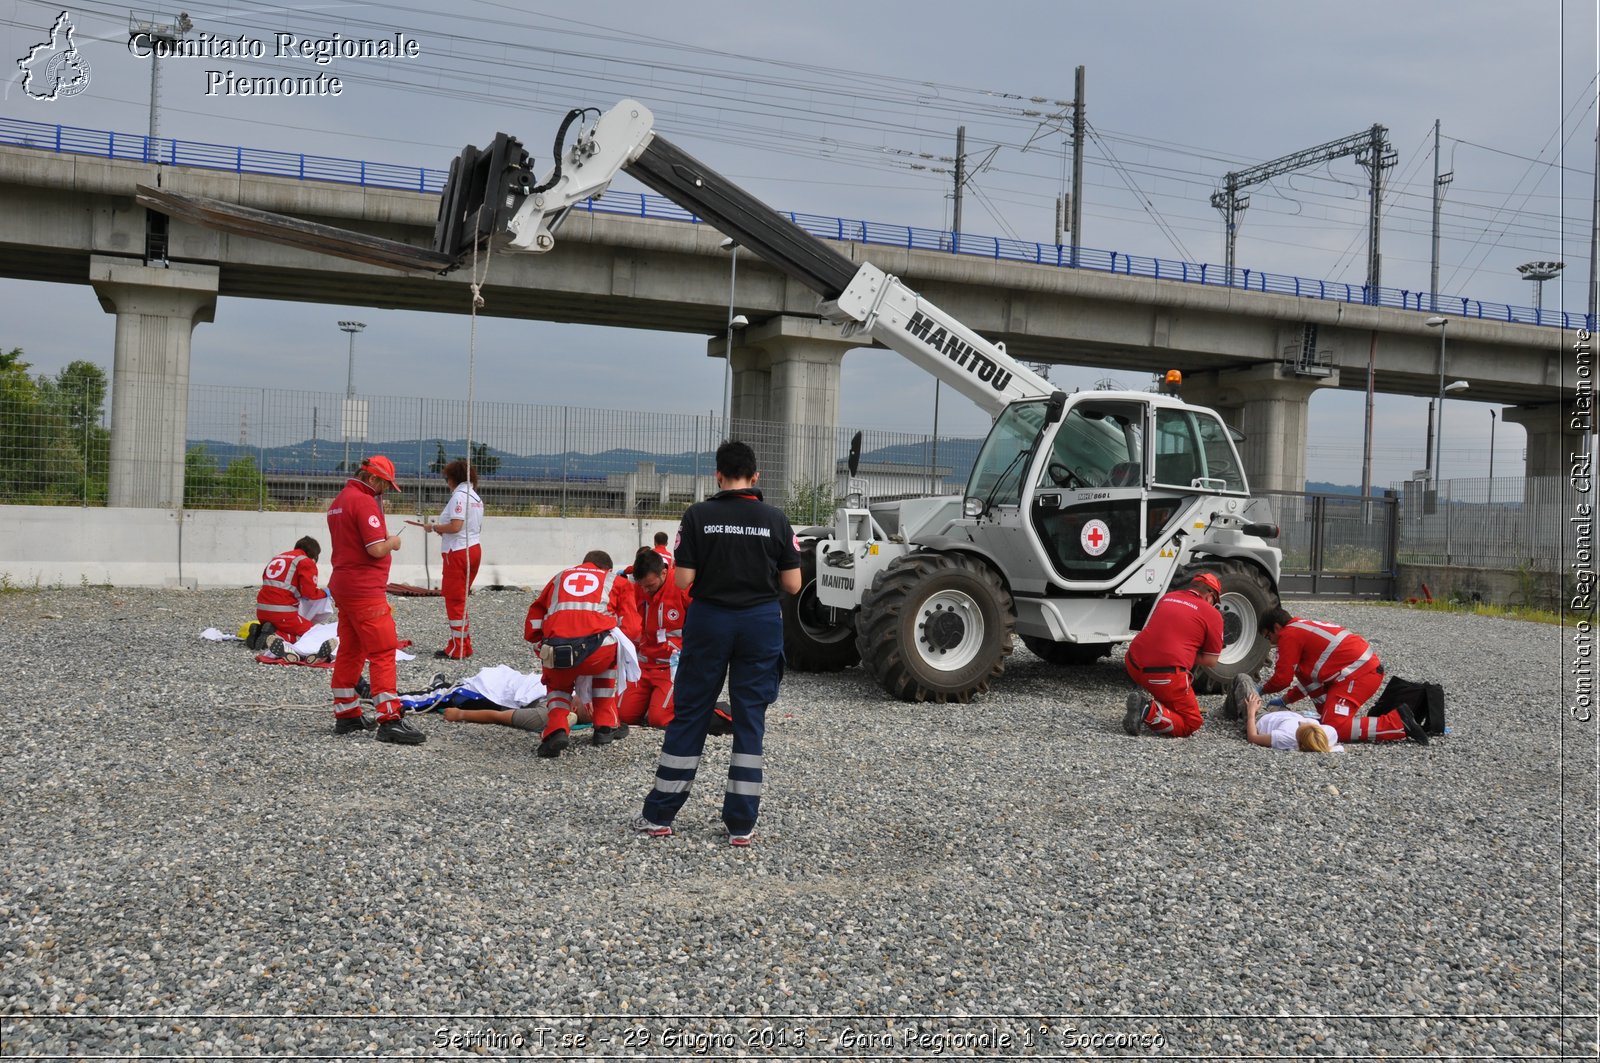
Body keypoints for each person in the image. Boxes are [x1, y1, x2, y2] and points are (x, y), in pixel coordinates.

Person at [634, 440, 801, 847]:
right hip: (760, 622)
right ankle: (741, 826)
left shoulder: (698, 516)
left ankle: (660, 816)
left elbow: (682, 580)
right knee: (750, 720)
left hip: (710, 620)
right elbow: (793, 584)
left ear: (718, 475)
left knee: (691, 712)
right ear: (755, 477)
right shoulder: (777, 519)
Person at [326, 454, 426, 745]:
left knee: (351, 648)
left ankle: (346, 713)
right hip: (365, 589)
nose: (384, 491)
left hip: (344, 586)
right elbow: (375, 549)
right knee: (383, 651)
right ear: (372, 479)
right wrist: (393, 542)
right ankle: (390, 719)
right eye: (384, 485)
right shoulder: (364, 502)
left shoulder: (339, 502)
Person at [524, 549, 642, 758]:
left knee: (558, 685)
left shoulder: (559, 578)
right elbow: (632, 630)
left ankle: (557, 729)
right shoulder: (615, 581)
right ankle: (606, 725)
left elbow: (532, 626)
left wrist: (541, 640)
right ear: (608, 569)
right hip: (598, 654)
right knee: (611, 656)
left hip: (557, 650)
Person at [1256, 608, 1427, 744]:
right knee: (1325, 717)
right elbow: (1308, 682)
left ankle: (1398, 723)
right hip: (1357, 672)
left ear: (1277, 627)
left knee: (1333, 728)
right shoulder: (1301, 629)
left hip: (1358, 675)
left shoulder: (1289, 635)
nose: (1270, 641)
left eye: (1268, 636)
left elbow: (1282, 679)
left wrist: (1262, 690)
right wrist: (1286, 700)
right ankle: (1333, 714)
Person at [1121, 572, 1224, 738]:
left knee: (1168, 694)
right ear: (1210, 596)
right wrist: (1188, 652)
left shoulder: (1168, 597)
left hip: (1132, 662)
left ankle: (1159, 706)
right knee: (1191, 722)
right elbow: (1211, 660)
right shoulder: (1212, 614)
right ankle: (1147, 710)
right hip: (1164, 676)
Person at [417, 459, 483, 660]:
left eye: (447, 478)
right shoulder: (476, 497)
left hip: (458, 552)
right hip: (473, 548)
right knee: (461, 599)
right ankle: (464, 643)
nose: (447, 483)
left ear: (453, 478)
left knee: (454, 600)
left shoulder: (458, 497)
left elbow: (455, 526)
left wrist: (435, 527)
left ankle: (459, 647)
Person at [618, 549, 691, 729]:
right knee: (622, 716)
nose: (645, 590)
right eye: (641, 585)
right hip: (643, 665)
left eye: (649, 585)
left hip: (671, 666)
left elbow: (705, 626)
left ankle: (706, 709)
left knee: (659, 720)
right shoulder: (638, 587)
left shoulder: (682, 588)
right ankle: (655, 701)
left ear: (664, 573)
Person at [251, 535, 328, 648]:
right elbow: (309, 593)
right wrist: (325, 593)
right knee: (311, 632)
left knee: (288, 624)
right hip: (283, 614)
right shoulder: (305, 562)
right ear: (314, 554)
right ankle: (274, 635)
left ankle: (259, 632)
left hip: (261, 611)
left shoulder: (277, 558)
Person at [1241, 685, 1341, 753]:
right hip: (1283, 716)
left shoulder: (1284, 738)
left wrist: (1251, 712)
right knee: (1272, 704)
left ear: (1298, 742)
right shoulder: (1329, 734)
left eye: (1299, 726)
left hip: (1261, 717)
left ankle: (1230, 712)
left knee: (1243, 679)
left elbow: (1252, 738)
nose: (1301, 722)